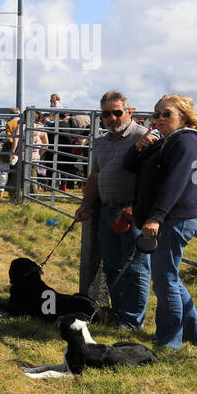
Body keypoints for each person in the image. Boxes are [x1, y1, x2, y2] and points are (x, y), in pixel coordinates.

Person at [122, 96, 197, 351]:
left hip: (175, 218)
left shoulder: (185, 141)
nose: (159, 119)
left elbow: (176, 184)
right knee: (169, 277)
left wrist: (155, 217)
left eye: (166, 114)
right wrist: (140, 145)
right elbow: (131, 166)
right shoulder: (166, 142)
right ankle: (195, 336)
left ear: (183, 115)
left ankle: (170, 341)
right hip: (172, 217)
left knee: (165, 280)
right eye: (155, 115)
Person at [74, 91, 150, 330]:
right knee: (112, 265)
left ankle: (132, 320)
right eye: (106, 114)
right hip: (107, 210)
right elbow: (95, 176)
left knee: (136, 268)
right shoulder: (101, 142)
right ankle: (119, 312)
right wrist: (86, 205)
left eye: (117, 112)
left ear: (130, 112)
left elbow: (153, 181)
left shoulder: (144, 138)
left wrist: (136, 207)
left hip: (133, 213)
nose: (112, 118)